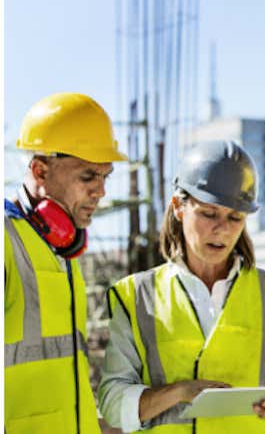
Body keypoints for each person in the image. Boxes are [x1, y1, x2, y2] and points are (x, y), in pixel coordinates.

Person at [99, 140, 265, 433]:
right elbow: (112, 405)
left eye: (235, 218)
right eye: (208, 214)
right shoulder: (135, 297)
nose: (221, 229)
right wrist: (180, 392)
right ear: (178, 207)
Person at [5, 93, 128, 434]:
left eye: (106, 176)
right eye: (88, 177)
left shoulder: (62, 250)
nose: (101, 191)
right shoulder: (6, 241)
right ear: (40, 170)